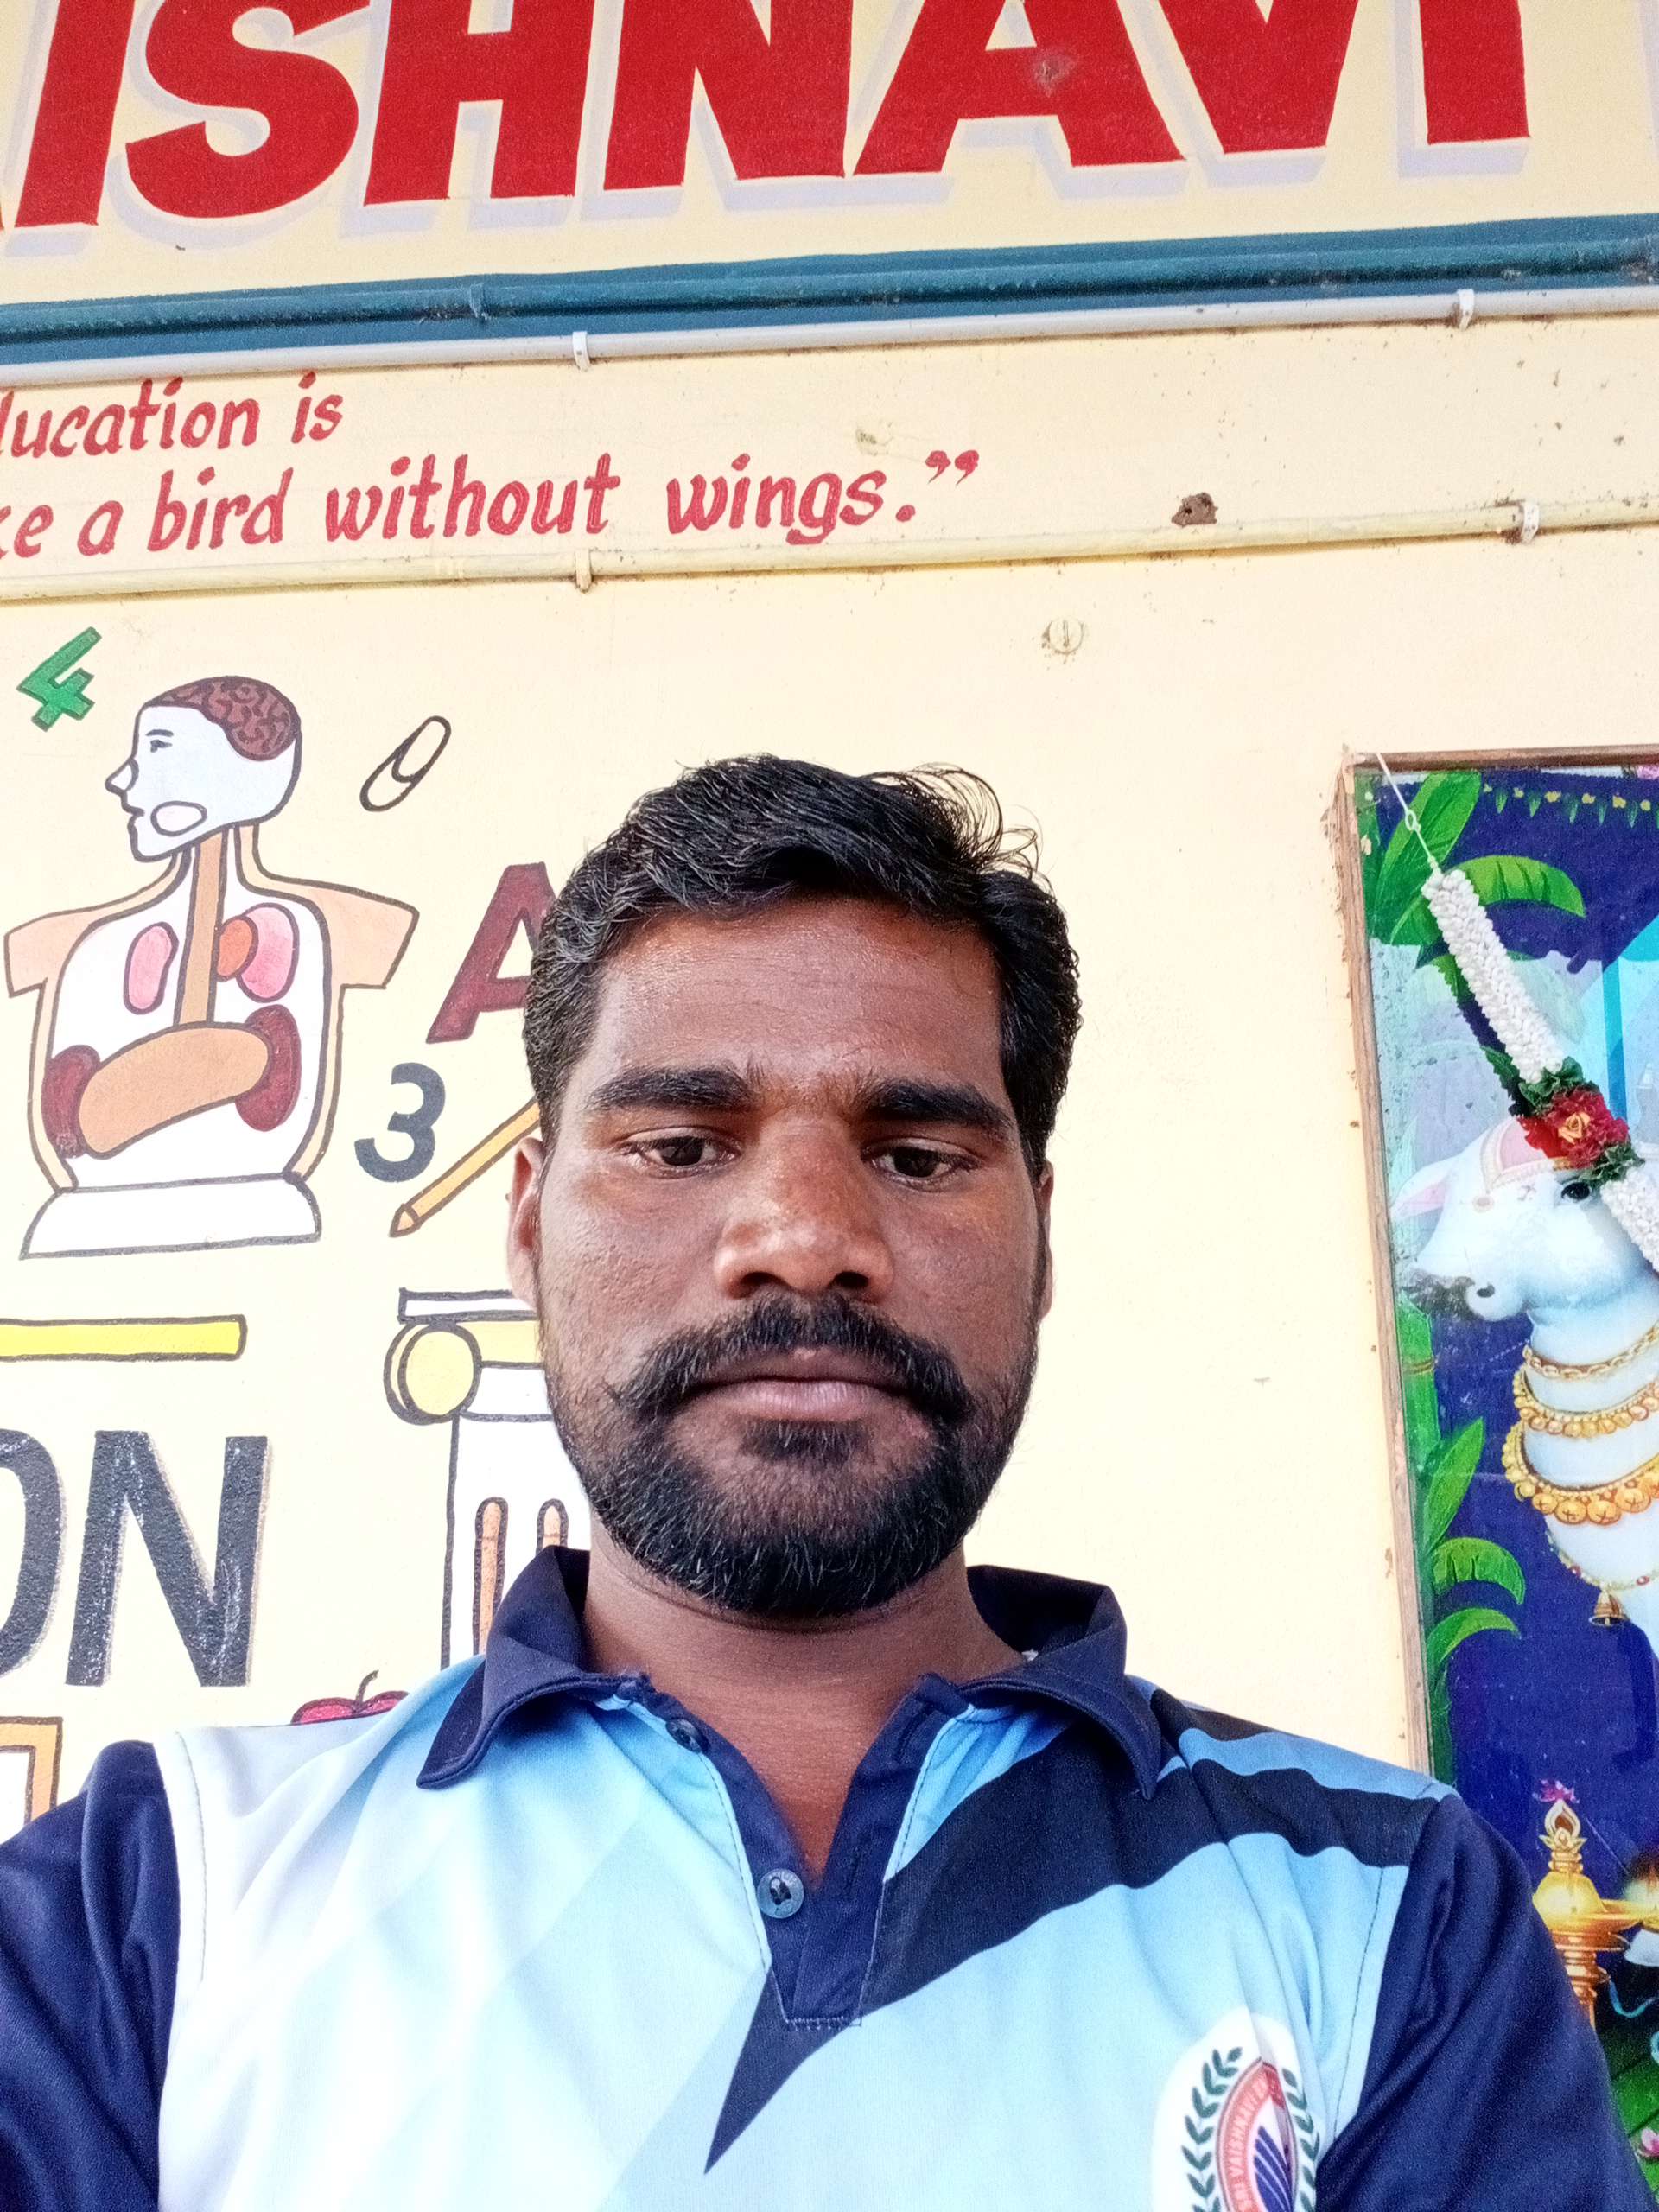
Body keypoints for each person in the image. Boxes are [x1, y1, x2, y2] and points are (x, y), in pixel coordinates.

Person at [0, 758, 1645, 2209]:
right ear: (526, 1226)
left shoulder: (1384, 1903)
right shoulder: (150, 1903)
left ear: (1042, 1242)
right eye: (679, 1145)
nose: (803, 1239)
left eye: (917, 1156)